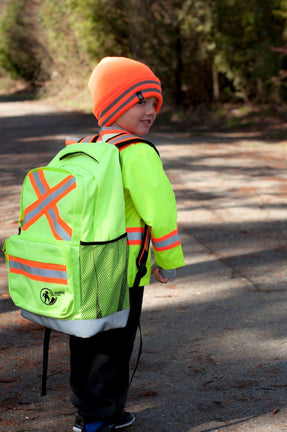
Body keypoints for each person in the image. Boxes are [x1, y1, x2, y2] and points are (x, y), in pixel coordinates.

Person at [69, 57, 185, 432]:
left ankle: (90, 412)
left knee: (86, 342)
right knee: (114, 347)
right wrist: (165, 257)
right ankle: (99, 419)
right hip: (120, 271)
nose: (150, 110)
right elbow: (160, 212)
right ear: (114, 104)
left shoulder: (87, 147)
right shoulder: (136, 151)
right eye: (140, 100)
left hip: (86, 264)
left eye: (154, 102)